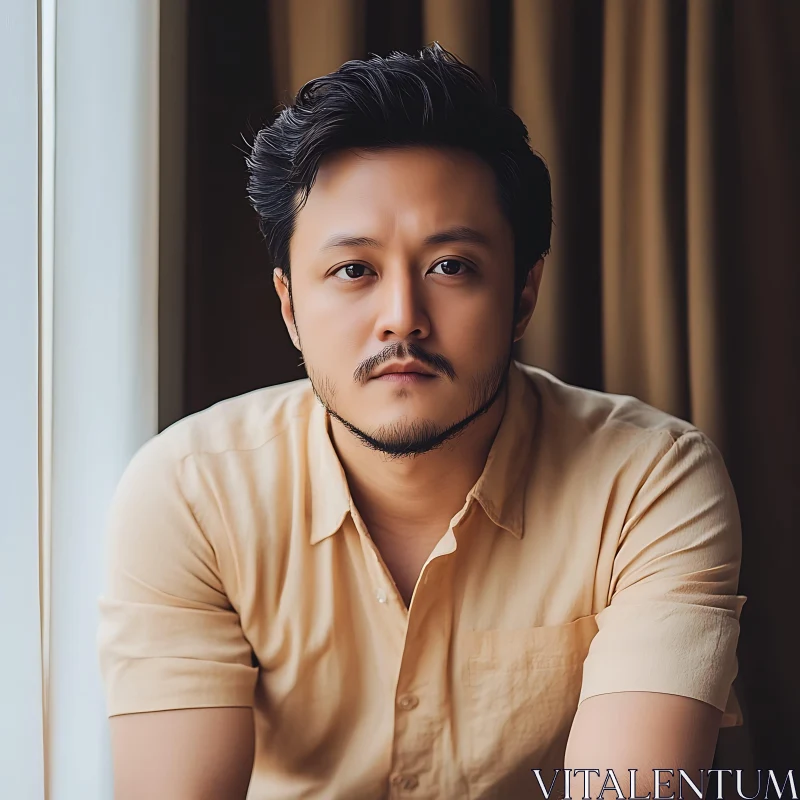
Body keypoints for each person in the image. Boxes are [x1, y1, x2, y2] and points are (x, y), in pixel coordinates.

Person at [97, 43, 745, 800]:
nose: (401, 318)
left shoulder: (648, 483)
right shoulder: (189, 494)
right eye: (353, 271)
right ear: (289, 306)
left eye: (451, 266)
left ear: (524, 294)